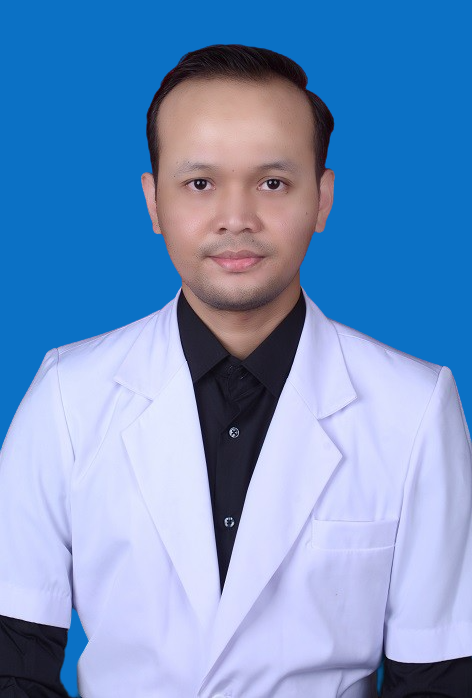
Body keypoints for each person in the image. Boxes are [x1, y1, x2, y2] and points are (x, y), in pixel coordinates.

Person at [0, 44, 471, 698]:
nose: (236, 219)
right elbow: (12, 660)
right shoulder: (66, 396)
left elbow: (440, 676)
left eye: (272, 183)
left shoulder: (414, 407)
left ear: (322, 198)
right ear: (154, 202)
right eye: (200, 183)